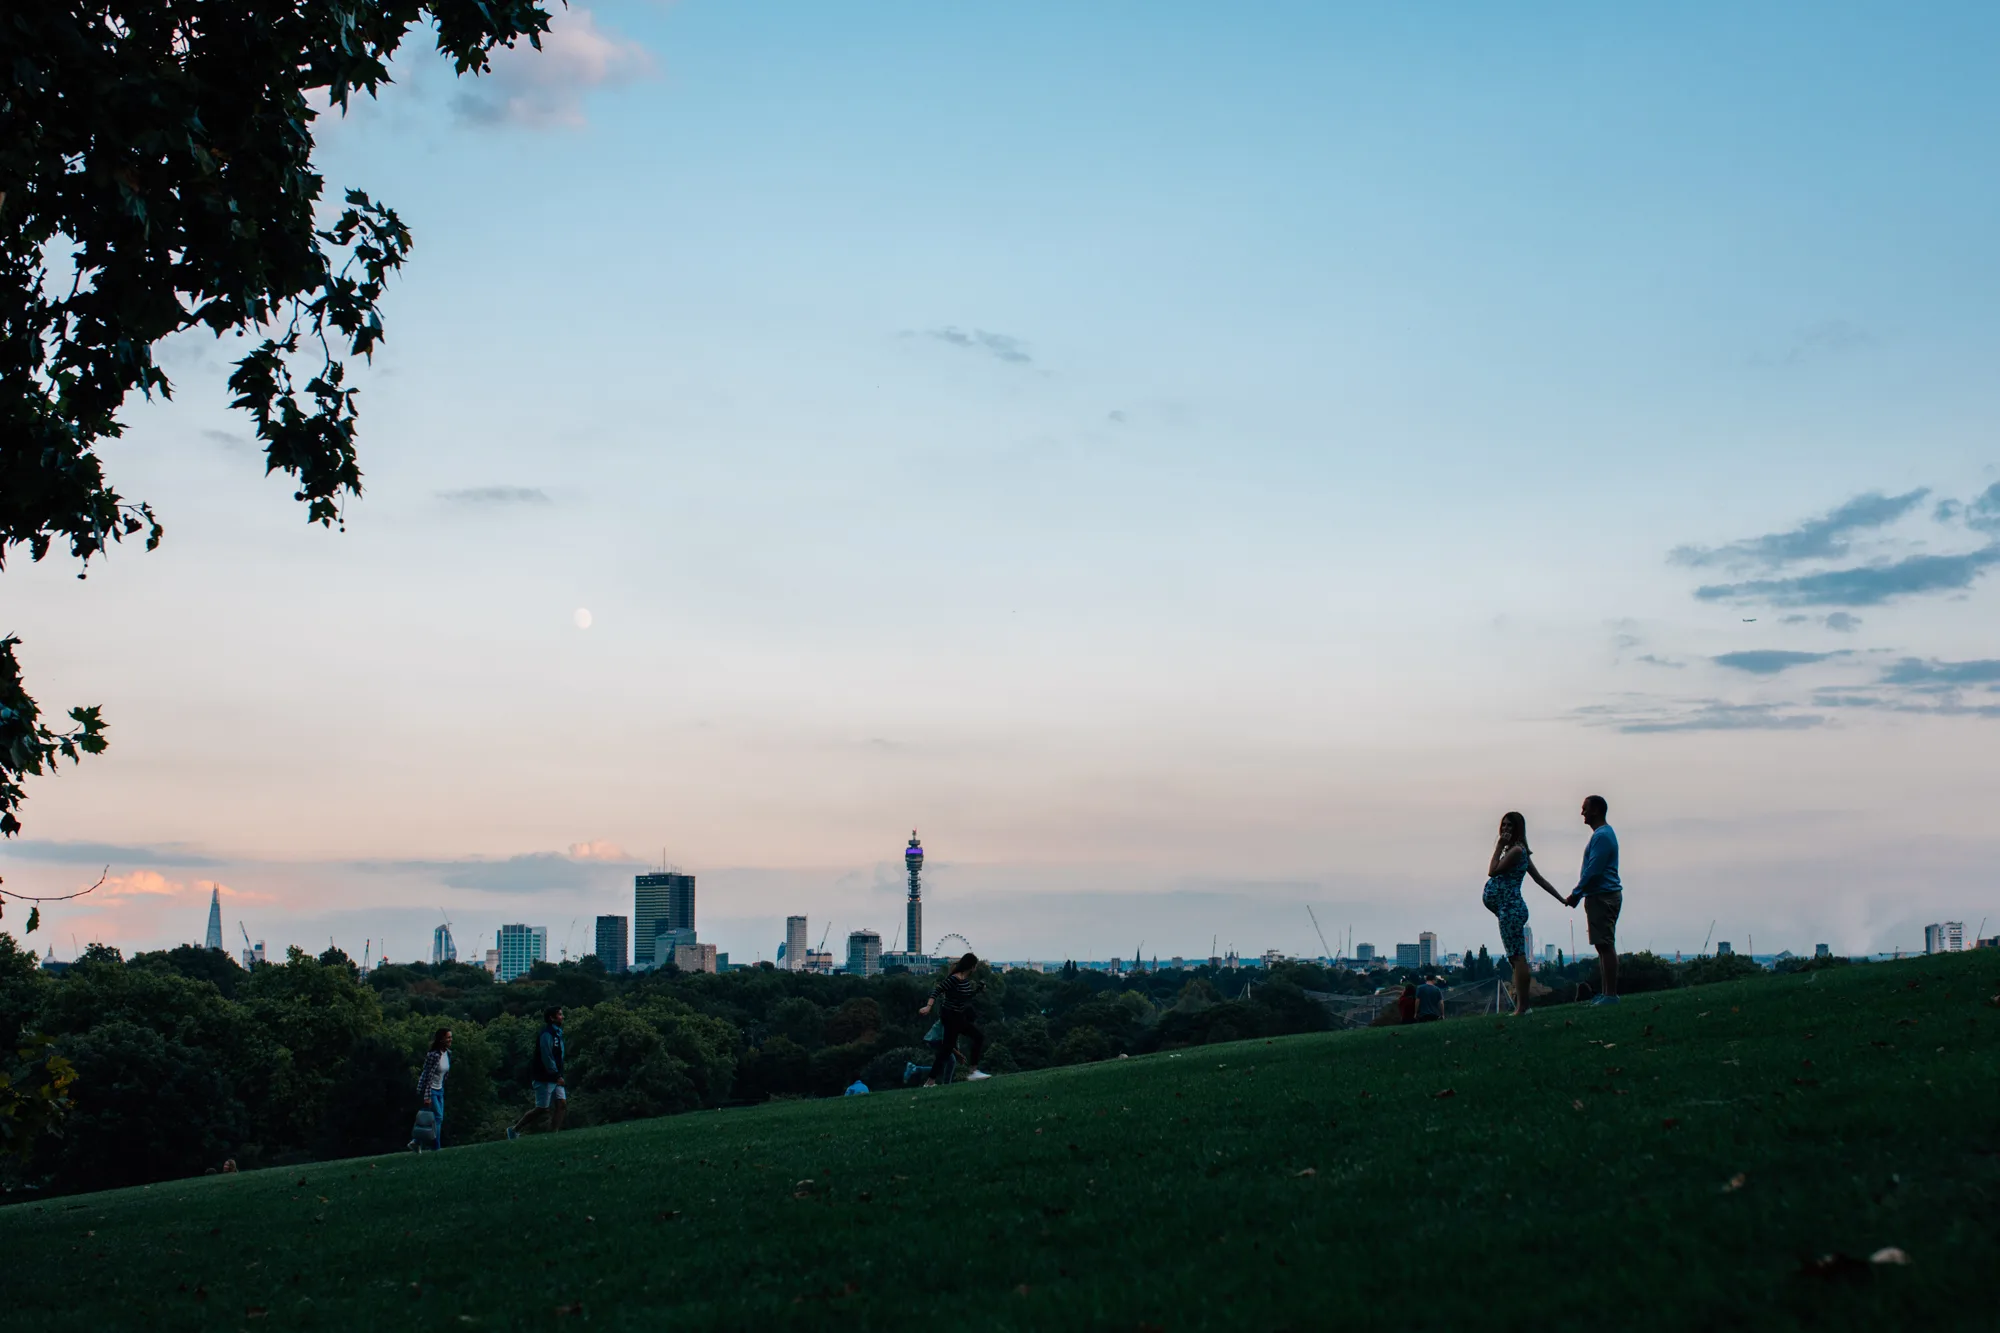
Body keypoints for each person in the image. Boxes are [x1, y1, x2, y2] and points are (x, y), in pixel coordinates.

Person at [1483, 811, 1569, 1016]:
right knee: (1515, 958)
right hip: (1508, 909)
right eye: (1503, 825)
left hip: (1511, 908)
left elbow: (1492, 871)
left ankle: (1523, 1006)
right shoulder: (1520, 852)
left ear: (1518, 829)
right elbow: (1540, 879)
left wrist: (1498, 847)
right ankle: (1522, 1005)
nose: (1505, 829)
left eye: (1510, 826)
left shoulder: (1516, 851)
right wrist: (1562, 899)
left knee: (1518, 957)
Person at [1564, 795, 1623, 1005]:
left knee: (1605, 945)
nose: (1582, 813)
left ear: (1596, 810)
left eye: (1585, 808)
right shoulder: (1602, 835)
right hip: (1600, 895)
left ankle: (1611, 995)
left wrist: (1576, 894)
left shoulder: (1602, 836)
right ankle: (1607, 993)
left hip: (1602, 896)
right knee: (1602, 946)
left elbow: (1594, 870)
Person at [918, 952, 990, 1085]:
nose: (976, 968)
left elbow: (965, 997)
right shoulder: (954, 979)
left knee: (946, 1050)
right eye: (975, 966)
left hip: (957, 1016)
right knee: (977, 1037)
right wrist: (928, 1007)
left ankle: (929, 1082)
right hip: (951, 1016)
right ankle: (973, 1071)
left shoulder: (965, 981)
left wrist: (978, 990)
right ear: (972, 966)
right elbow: (937, 990)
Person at [507, 1007, 567, 1138]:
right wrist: (556, 1074)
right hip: (544, 1076)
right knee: (542, 1108)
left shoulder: (558, 1033)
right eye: (560, 1015)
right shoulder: (546, 1034)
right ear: (552, 1018)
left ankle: (554, 1133)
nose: (562, 1017)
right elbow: (547, 1056)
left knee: (561, 1103)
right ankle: (515, 1129)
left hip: (556, 1075)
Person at [413, 1027, 452, 1150]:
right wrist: (426, 1095)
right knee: (438, 1118)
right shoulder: (433, 1055)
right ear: (441, 1039)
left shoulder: (448, 1053)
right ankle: (436, 1147)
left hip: (440, 1089)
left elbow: (445, 1074)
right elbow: (426, 1075)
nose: (450, 1040)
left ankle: (416, 1141)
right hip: (431, 1090)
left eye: (451, 1037)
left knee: (435, 1119)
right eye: (448, 1037)